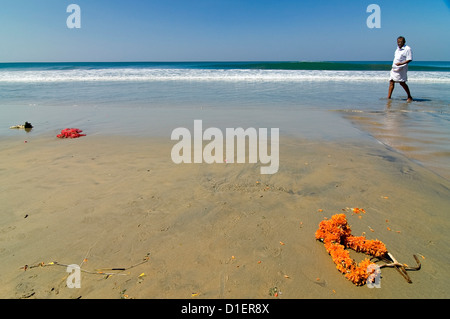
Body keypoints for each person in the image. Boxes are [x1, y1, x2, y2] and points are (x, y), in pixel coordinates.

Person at [388, 36, 413, 102]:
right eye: (398, 42)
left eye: (400, 42)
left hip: (402, 68)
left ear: (404, 42)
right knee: (391, 82)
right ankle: (389, 97)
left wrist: (401, 64)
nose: (399, 43)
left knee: (402, 83)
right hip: (394, 68)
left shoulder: (407, 49)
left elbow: (409, 59)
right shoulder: (397, 49)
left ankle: (409, 96)